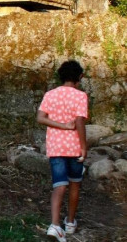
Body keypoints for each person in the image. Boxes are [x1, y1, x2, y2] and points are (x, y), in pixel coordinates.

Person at [37, 60, 88, 242]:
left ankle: (55, 225)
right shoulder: (80, 96)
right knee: (75, 183)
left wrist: (61, 126)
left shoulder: (50, 95)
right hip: (74, 148)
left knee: (59, 185)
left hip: (56, 147)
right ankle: (71, 222)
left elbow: (40, 118)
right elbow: (80, 122)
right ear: (79, 77)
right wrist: (83, 146)